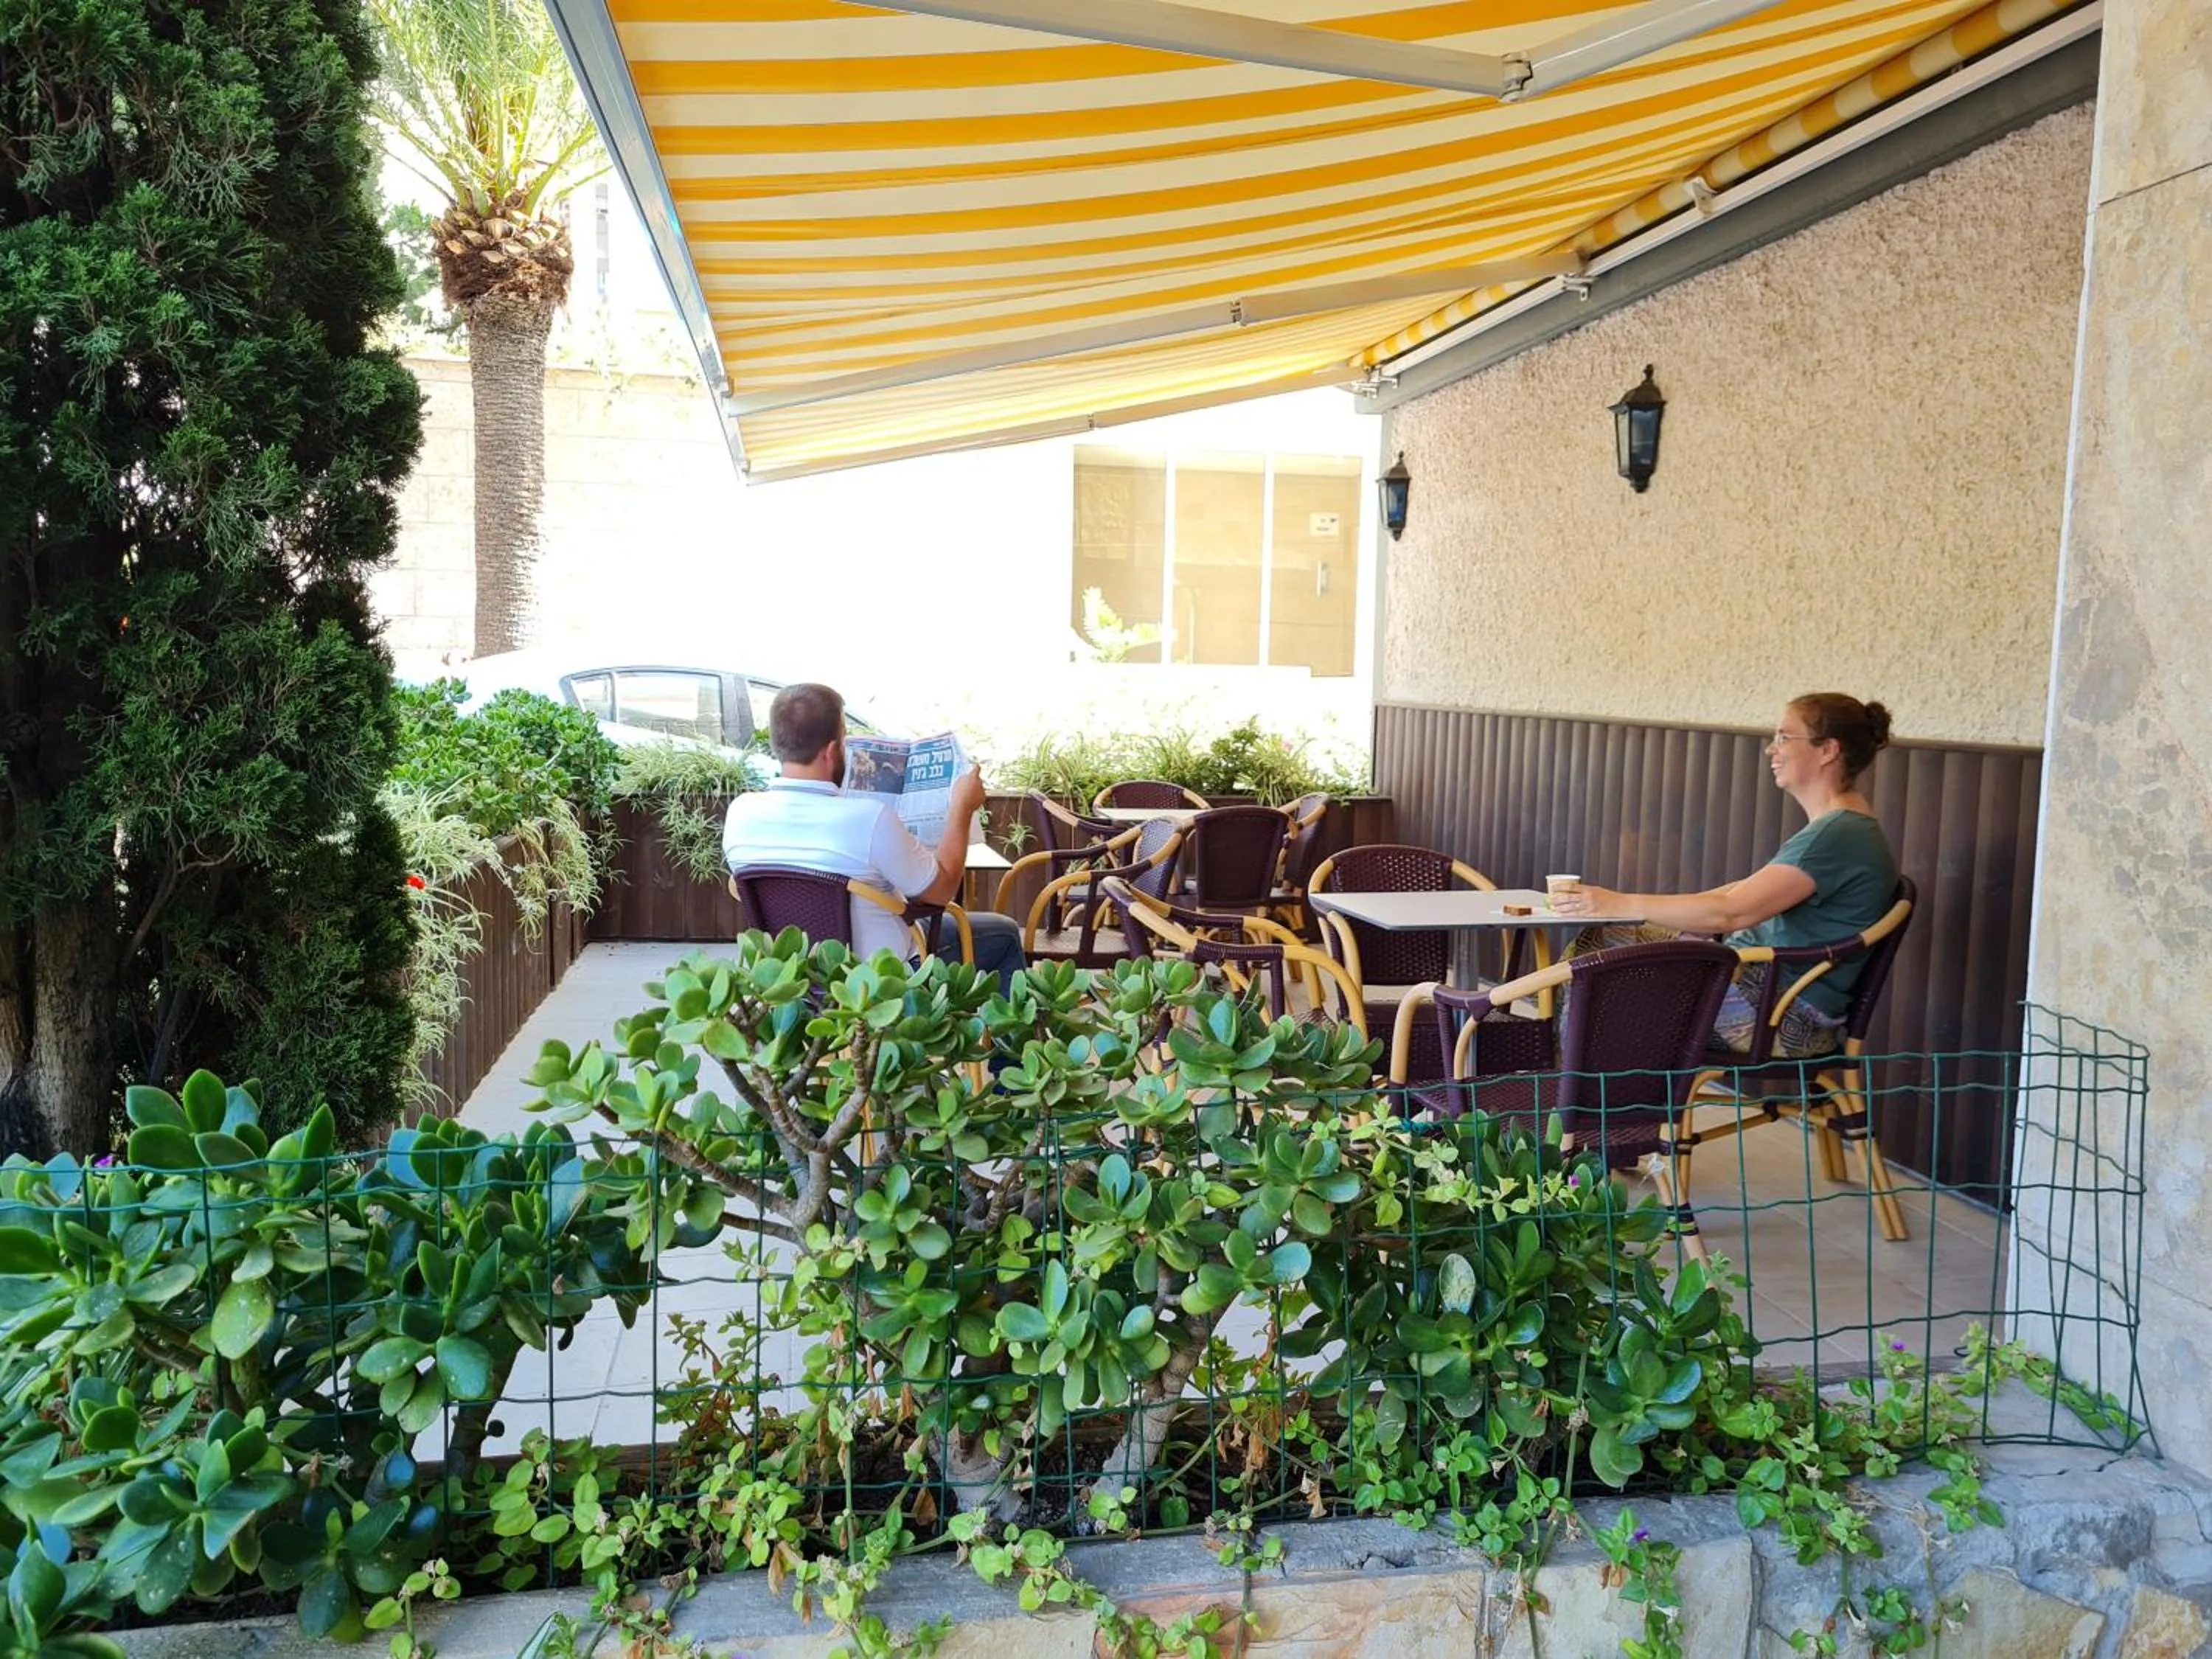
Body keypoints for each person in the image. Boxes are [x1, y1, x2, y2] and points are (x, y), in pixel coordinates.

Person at [1551, 693, 1898, 1056]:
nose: (1771, 749)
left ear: (1828, 750)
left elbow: (1733, 912)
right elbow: (1736, 895)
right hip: (1758, 991)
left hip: (1779, 1015)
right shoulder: (1841, 830)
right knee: (1607, 943)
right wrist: (1632, 914)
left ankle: (1575, 1095)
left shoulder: (1838, 834)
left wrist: (1618, 902)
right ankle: (1581, 1088)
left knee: (1601, 964)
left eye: (1784, 737)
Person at [721, 683, 1029, 994]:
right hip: (881, 979)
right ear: (831, 751)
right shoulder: (869, 819)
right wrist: (961, 807)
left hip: (791, 980)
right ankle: (1008, 1039)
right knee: (1003, 934)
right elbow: (940, 892)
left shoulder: (740, 814)